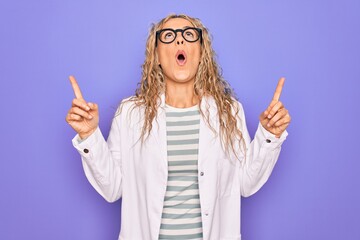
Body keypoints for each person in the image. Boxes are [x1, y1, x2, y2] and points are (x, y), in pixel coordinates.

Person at [66, 14, 291, 240]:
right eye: (169, 36)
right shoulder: (129, 114)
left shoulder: (229, 112)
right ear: (156, 56)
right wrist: (89, 135)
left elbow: (245, 184)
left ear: (202, 53)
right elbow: (112, 188)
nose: (179, 41)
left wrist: (269, 135)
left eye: (189, 35)